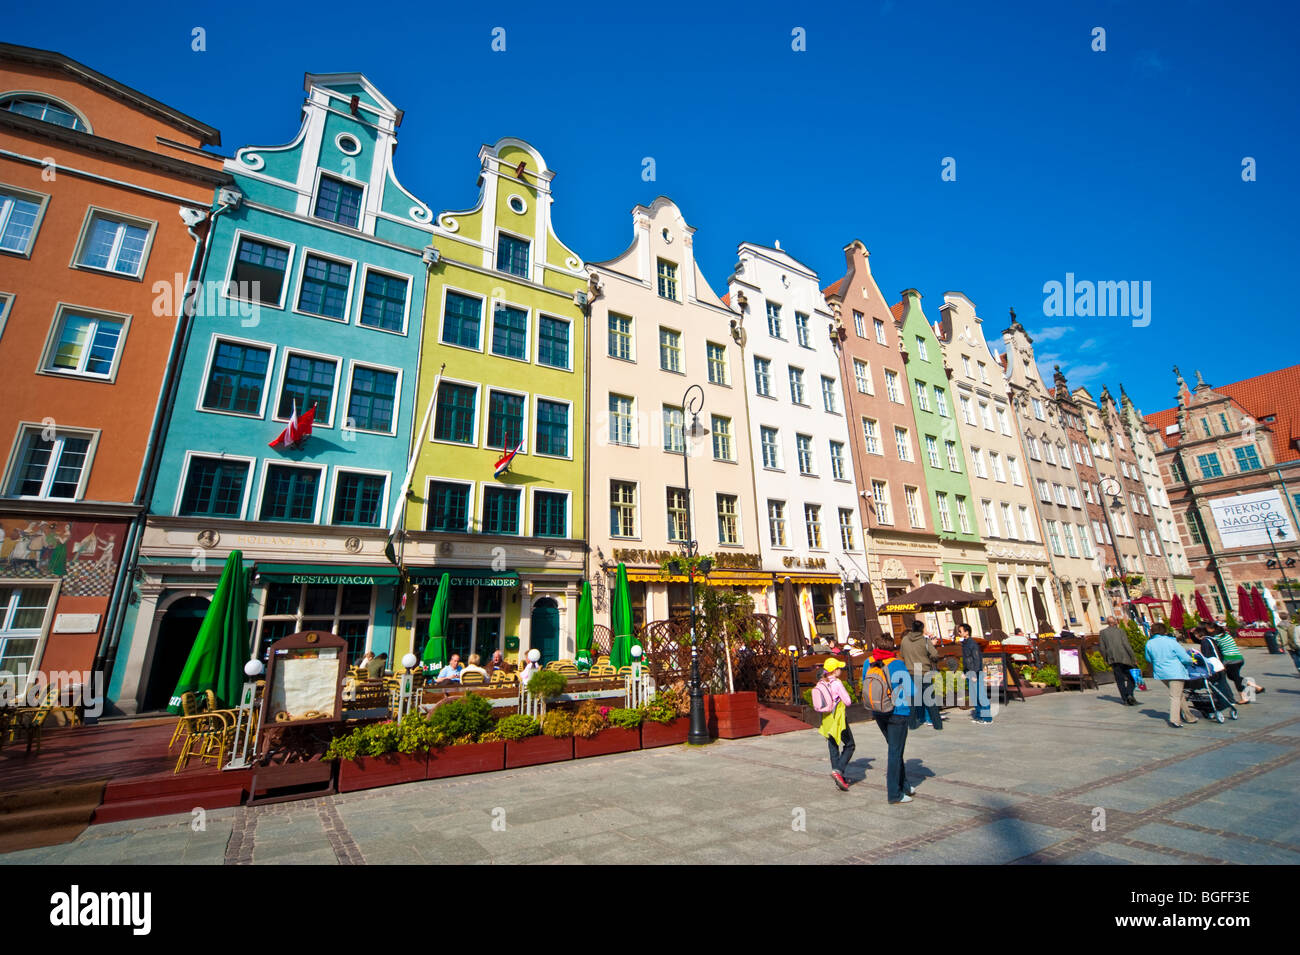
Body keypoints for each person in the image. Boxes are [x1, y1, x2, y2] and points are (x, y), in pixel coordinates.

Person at [863, 639, 915, 804]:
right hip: (898, 711)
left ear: (876, 647)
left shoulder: (868, 662)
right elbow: (911, 689)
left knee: (895, 748)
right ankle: (894, 794)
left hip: (878, 710)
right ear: (892, 647)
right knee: (895, 751)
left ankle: (904, 784)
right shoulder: (897, 664)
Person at [811, 659, 855, 791]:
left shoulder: (822, 681)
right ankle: (838, 770)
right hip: (838, 719)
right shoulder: (837, 683)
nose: (841, 670)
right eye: (839, 668)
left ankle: (838, 779)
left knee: (833, 747)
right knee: (850, 745)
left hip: (827, 719)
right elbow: (848, 701)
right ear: (835, 671)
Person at [1144, 623, 1199, 727]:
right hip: (1175, 671)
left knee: (1179, 694)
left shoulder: (1149, 643)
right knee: (1175, 696)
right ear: (1164, 631)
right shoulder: (1171, 642)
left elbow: (1148, 658)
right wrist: (1191, 661)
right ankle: (1175, 719)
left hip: (1161, 672)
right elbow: (1183, 657)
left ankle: (1189, 717)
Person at [900, 619, 942, 730]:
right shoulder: (925, 640)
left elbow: (902, 654)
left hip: (911, 671)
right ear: (922, 629)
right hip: (924, 671)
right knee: (930, 699)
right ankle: (938, 725)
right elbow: (935, 654)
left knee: (912, 700)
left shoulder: (904, 640)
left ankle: (912, 725)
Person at [1099, 616, 1139, 706]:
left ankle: (1125, 699)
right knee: (1131, 677)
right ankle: (1129, 694)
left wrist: (1105, 659)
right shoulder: (1120, 631)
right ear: (1115, 622)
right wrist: (1133, 657)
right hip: (1124, 657)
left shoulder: (1103, 632)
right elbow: (1126, 644)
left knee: (1119, 679)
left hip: (1113, 658)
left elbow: (1102, 648)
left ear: (1107, 623)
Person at [958, 623, 991, 724]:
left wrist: (976, 674)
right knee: (974, 696)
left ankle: (987, 718)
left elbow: (977, 660)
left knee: (980, 695)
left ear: (966, 632)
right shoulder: (965, 643)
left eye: (960, 631)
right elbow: (966, 660)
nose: (958, 633)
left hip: (975, 673)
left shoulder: (972, 644)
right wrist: (964, 672)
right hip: (969, 673)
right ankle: (979, 716)